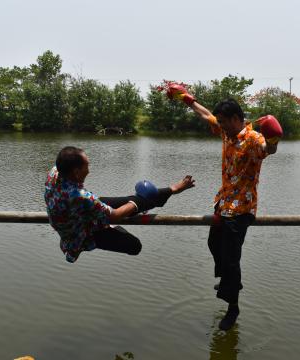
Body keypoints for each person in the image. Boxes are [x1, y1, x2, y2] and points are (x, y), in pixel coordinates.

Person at [163, 82, 282, 330]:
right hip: (224, 201)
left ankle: (233, 307)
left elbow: (268, 150)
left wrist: (274, 137)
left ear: (237, 119)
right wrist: (186, 98)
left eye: (225, 122)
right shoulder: (227, 132)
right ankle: (229, 281)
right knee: (213, 244)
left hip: (242, 208)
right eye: (221, 122)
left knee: (231, 259)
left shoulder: (252, 138)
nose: (221, 126)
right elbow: (205, 114)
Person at [45, 146, 195, 263]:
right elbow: (116, 216)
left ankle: (171, 190)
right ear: (77, 172)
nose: (89, 171)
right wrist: (137, 202)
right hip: (82, 234)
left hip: (77, 212)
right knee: (134, 246)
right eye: (87, 167)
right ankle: (108, 223)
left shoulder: (55, 173)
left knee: (131, 200)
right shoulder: (80, 196)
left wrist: (136, 201)